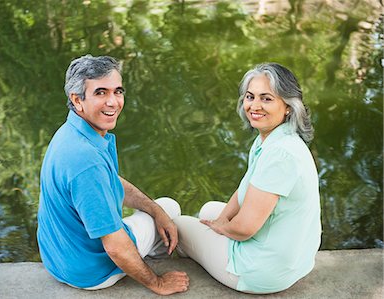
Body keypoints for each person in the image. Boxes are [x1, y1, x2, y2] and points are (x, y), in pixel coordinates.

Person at [37, 54, 189, 295]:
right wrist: (157, 283)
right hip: (90, 271)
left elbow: (108, 181)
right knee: (170, 208)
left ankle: (152, 241)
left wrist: (153, 210)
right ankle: (152, 258)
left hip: (58, 260)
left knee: (159, 210)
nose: (113, 102)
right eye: (100, 93)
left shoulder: (70, 132)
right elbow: (115, 247)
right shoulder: (86, 162)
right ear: (77, 100)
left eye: (117, 91)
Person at [174, 63, 321, 294]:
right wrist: (222, 220)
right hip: (293, 258)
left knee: (177, 225)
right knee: (209, 211)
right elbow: (247, 186)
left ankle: (191, 259)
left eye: (267, 99)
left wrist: (223, 229)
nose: (255, 106)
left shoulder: (280, 155)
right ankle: (207, 248)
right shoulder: (273, 138)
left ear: (288, 107)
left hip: (263, 271)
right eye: (250, 97)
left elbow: (245, 229)